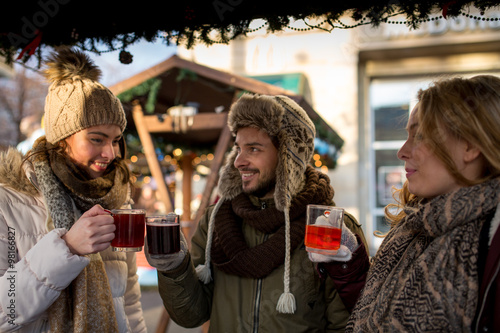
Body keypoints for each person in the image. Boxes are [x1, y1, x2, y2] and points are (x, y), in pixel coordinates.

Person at [146, 93, 368, 332]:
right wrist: (175, 269)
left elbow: (348, 324)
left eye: (253, 149)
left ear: (288, 157)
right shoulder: (216, 220)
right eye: (238, 148)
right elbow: (192, 315)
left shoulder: (330, 226)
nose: (239, 161)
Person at [0, 48, 146, 332]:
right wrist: (66, 249)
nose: (110, 152)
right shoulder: (8, 202)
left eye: (116, 140)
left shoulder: (117, 199)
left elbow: (128, 302)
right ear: (61, 138)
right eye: (96, 139)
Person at [345, 75, 500, 332]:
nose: (402, 151)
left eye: (420, 136)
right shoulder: (416, 223)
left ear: (470, 146)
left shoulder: (491, 239)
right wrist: (348, 267)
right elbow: (376, 318)